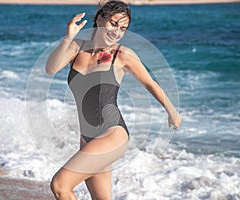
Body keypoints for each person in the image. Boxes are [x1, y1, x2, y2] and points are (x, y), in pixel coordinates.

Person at [46, 1, 181, 199]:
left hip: (112, 134)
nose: (117, 31)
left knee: (60, 185)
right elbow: (51, 68)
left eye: (123, 28)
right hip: (87, 137)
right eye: (113, 23)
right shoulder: (77, 47)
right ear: (100, 19)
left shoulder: (123, 55)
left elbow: (150, 83)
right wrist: (68, 38)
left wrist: (172, 111)